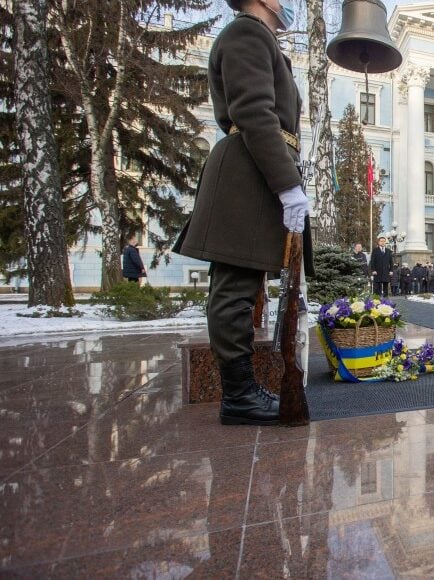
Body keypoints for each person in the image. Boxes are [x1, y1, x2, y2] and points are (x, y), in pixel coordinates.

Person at [173, 0, 312, 425]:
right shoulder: (246, 35)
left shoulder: (263, 41)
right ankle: (238, 395)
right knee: (234, 287)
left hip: (257, 173)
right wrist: (286, 185)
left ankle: (243, 390)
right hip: (246, 174)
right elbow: (254, 113)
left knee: (244, 281)